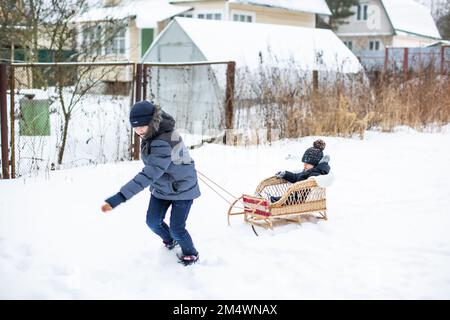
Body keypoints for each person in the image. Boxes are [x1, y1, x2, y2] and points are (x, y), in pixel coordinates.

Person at [101, 101, 201, 266]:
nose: (139, 130)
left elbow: (150, 173)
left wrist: (121, 196)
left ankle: (191, 253)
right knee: (153, 221)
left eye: (142, 126)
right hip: (163, 185)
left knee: (177, 228)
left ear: (152, 121)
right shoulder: (153, 132)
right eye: (135, 127)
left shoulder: (161, 139)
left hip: (182, 188)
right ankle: (171, 240)